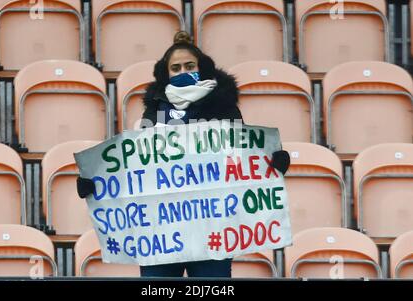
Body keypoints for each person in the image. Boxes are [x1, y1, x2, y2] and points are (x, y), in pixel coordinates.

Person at [76, 31, 290, 278]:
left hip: (213, 231)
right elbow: (136, 167)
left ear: (203, 68)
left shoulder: (225, 107)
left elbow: (243, 156)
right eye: (175, 68)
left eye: (189, 66)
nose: (183, 72)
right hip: (161, 233)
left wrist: (273, 163)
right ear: (165, 74)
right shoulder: (154, 109)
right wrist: (95, 183)